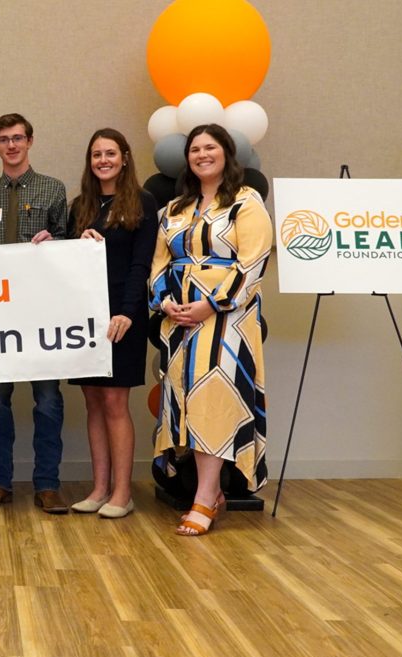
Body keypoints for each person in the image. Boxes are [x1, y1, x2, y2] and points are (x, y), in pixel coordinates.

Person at [149, 123, 271, 536]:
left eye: (210, 147)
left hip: (227, 319)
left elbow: (253, 264)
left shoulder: (246, 202)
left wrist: (210, 304)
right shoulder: (174, 209)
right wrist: (165, 301)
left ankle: (204, 499)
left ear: (226, 153)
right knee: (186, 403)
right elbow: (159, 264)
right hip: (178, 320)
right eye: (195, 149)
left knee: (213, 398)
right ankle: (211, 492)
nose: (202, 154)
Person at [0, 113, 70, 512]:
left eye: (17, 138)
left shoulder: (54, 189)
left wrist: (56, 241)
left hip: (42, 315)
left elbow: (70, 247)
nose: (11, 146)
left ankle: (47, 483)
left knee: (47, 401)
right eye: (3, 140)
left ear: (30, 141)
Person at [66, 129, 158, 519]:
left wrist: (127, 312)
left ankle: (123, 492)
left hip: (123, 316)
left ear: (124, 156)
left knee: (116, 402)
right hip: (86, 317)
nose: (103, 160)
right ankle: (100, 487)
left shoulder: (143, 202)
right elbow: (69, 263)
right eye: (96, 155)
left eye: (109, 153)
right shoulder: (81, 205)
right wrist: (75, 241)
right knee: (92, 401)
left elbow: (142, 264)